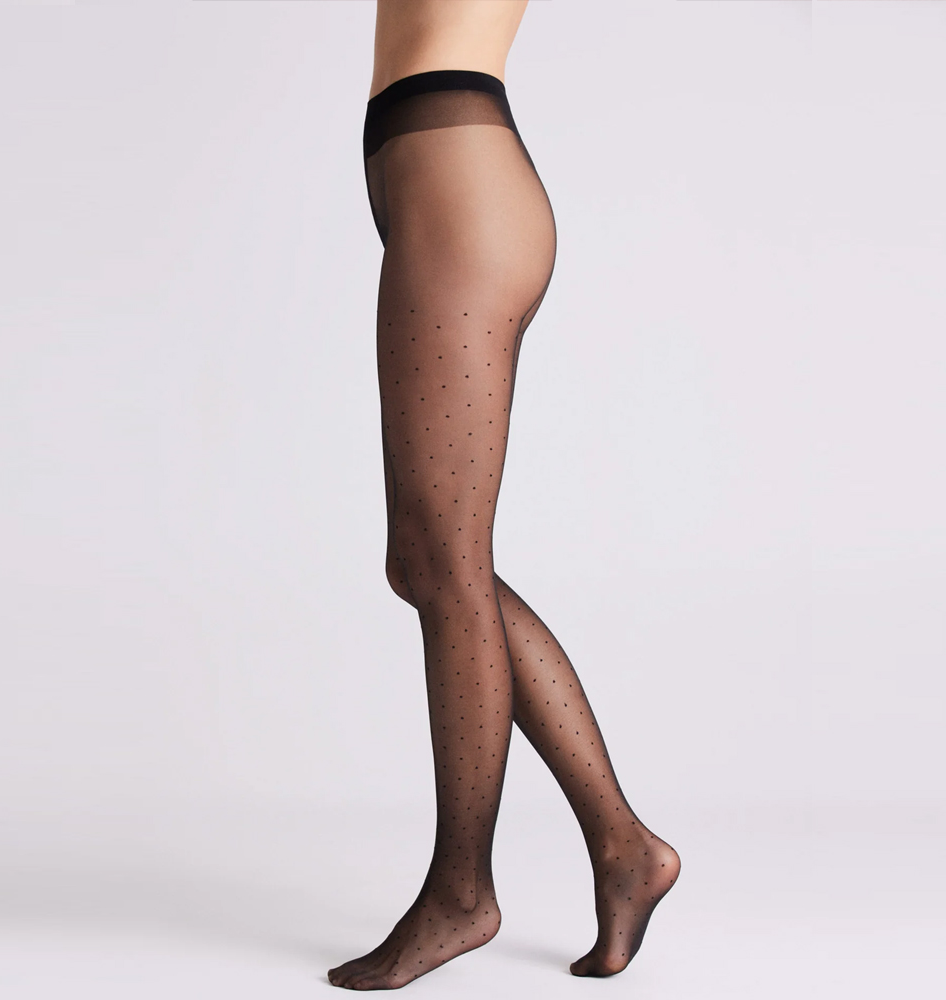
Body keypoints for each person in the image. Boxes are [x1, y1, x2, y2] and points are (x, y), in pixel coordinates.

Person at [328, 1, 680, 990]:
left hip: (459, 181)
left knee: (444, 564)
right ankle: (624, 847)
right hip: (435, 176)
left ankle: (461, 894)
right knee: (426, 562)